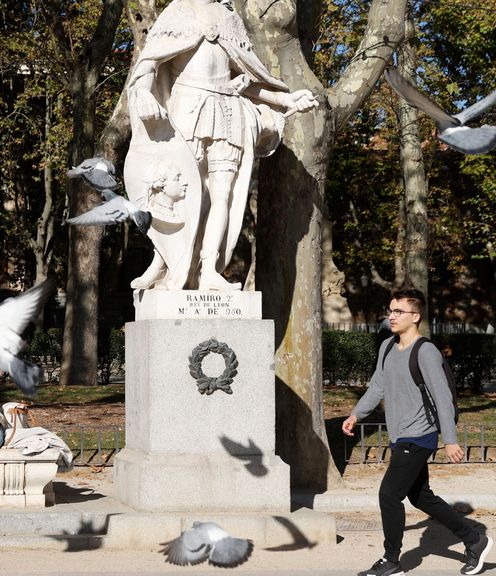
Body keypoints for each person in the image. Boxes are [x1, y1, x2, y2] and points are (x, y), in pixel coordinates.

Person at [124, 0, 318, 290]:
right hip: (186, 111)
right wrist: (142, 91)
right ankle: (163, 260)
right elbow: (150, 62)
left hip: (228, 114)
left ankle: (210, 268)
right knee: (183, 192)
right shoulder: (179, 11)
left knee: (222, 194)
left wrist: (285, 99)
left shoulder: (229, 17)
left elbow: (249, 78)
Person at [342, 288, 492, 576]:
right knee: (420, 497)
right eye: (391, 310)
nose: (392, 316)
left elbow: (442, 398)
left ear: (416, 316)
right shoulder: (387, 347)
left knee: (389, 495)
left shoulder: (425, 351)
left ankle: (392, 561)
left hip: (420, 435)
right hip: (400, 434)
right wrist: (356, 414)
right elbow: (377, 386)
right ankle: (475, 539)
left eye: (399, 311)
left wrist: (449, 440)